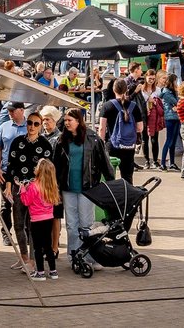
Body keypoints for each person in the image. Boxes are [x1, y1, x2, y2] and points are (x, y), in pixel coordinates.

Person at [54, 108, 114, 270]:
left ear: (79, 121)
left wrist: (111, 184)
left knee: (86, 224)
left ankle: (89, 256)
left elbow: (105, 164)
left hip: (87, 188)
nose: (66, 123)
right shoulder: (61, 140)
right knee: (72, 225)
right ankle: (74, 255)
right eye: (65, 120)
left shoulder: (93, 138)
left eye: (69, 120)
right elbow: (55, 165)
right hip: (68, 189)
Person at [5, 110, 55, 269]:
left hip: (36, 191)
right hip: (18, 188)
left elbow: (48, 170)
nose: (32, 126)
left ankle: (33, 261)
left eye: (36, 124)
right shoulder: (17, 141)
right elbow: (10, 166)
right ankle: (24, 257)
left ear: (40, 126)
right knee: (18, 224)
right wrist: (8, 185)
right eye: (29, 123)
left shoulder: (45, 145)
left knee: (33, 226)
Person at [20, 158, 61, 281]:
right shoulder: (52, 187)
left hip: (36, 220)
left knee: (37, 247)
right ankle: (53, 271)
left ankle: (40, 272)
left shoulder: (33, 186)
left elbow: (26, 201)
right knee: (48, 246)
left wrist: (22, 189)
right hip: (49, 219)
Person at [0, 102, 27, 249]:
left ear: (21, 110)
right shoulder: (4, 126)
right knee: (5, 205)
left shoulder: (30, 126)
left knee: (24, 204)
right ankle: (6, 234)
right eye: (9, 111)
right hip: (6, 172)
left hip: (24, 174)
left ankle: (25, 233)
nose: (10, 113)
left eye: (13, 111)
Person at [99, 78, 144, 184]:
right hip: (128, 146)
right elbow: (140, 128)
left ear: (114, 90)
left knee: (109, 176)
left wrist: (101, 145)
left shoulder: (107, 106)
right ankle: (128, 198)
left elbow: (102, 128)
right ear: (126, 90)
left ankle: (112, 198)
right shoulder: (134, 106)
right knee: (127, 177)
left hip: (112, 145)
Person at [39, 106, 64, 255]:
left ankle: (55, 247)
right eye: (43, 119)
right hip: (41, 183)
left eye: (47, 119)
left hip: (55, 183)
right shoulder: (41, 137)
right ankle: (45, 245)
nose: (44, 122)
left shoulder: (59, 138)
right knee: (44, 216)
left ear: (55, 121)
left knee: (55, 216)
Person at [140, 70, 164, 169]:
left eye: (153, 79)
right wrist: (147, 99)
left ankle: (154, 160)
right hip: (143, 116)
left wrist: (154, 101)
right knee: (144, 139)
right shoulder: (141, 89)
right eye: (150, 78)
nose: (151, 80)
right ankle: (146, 161)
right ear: (146, 77)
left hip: (154, 117)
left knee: (154, 139)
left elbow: (160, 103)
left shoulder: (158, 90)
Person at [157, 72, 181, 172]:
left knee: (173, 141)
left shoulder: (172, 91)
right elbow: (178, 103)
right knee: (169, 140)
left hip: (176, 117)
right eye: (175, 81)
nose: (177, 83)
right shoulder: (167, 92)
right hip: (170, 118)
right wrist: (177, 105)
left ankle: (172, 163)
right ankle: (163, 163)